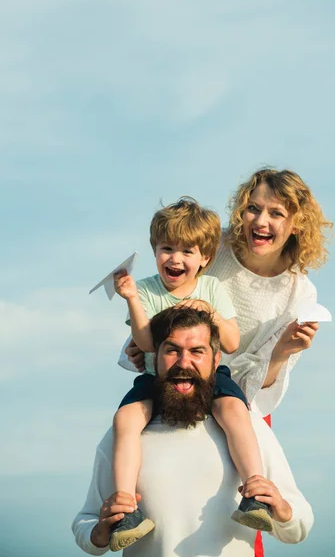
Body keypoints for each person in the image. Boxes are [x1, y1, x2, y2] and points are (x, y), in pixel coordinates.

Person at [72, 308, 314, 557]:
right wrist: (100, 532)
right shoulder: (125, 433)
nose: (183, 362)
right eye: (172, 350)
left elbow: (299, 527)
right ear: (155, 358)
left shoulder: (249, 426)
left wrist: (283, 510)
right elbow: (86, 523)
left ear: (216, 360)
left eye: (197, 351)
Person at [110, 198, 268, 552]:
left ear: (205, 259)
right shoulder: (148, 289)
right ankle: (125, 508)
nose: (175, 259)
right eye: (167, 248)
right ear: (155, 251)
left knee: (235, 411)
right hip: (158, 378)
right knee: (126, 418)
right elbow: (147, 342)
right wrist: (132, 299)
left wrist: (211, 313)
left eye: (187, 251)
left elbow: (230, 341)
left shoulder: (212, 289)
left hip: (208, 377)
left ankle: (255, 489)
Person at [122, 168, 333, 417]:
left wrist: (281, 354)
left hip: (236, 400)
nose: (260, 221)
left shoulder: (300, 294)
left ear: (298, 224)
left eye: (276, 213)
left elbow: (259, 385)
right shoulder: (215, 246)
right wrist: (142, 345)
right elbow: (166, 291)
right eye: (253, 208)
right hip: (176, 384)